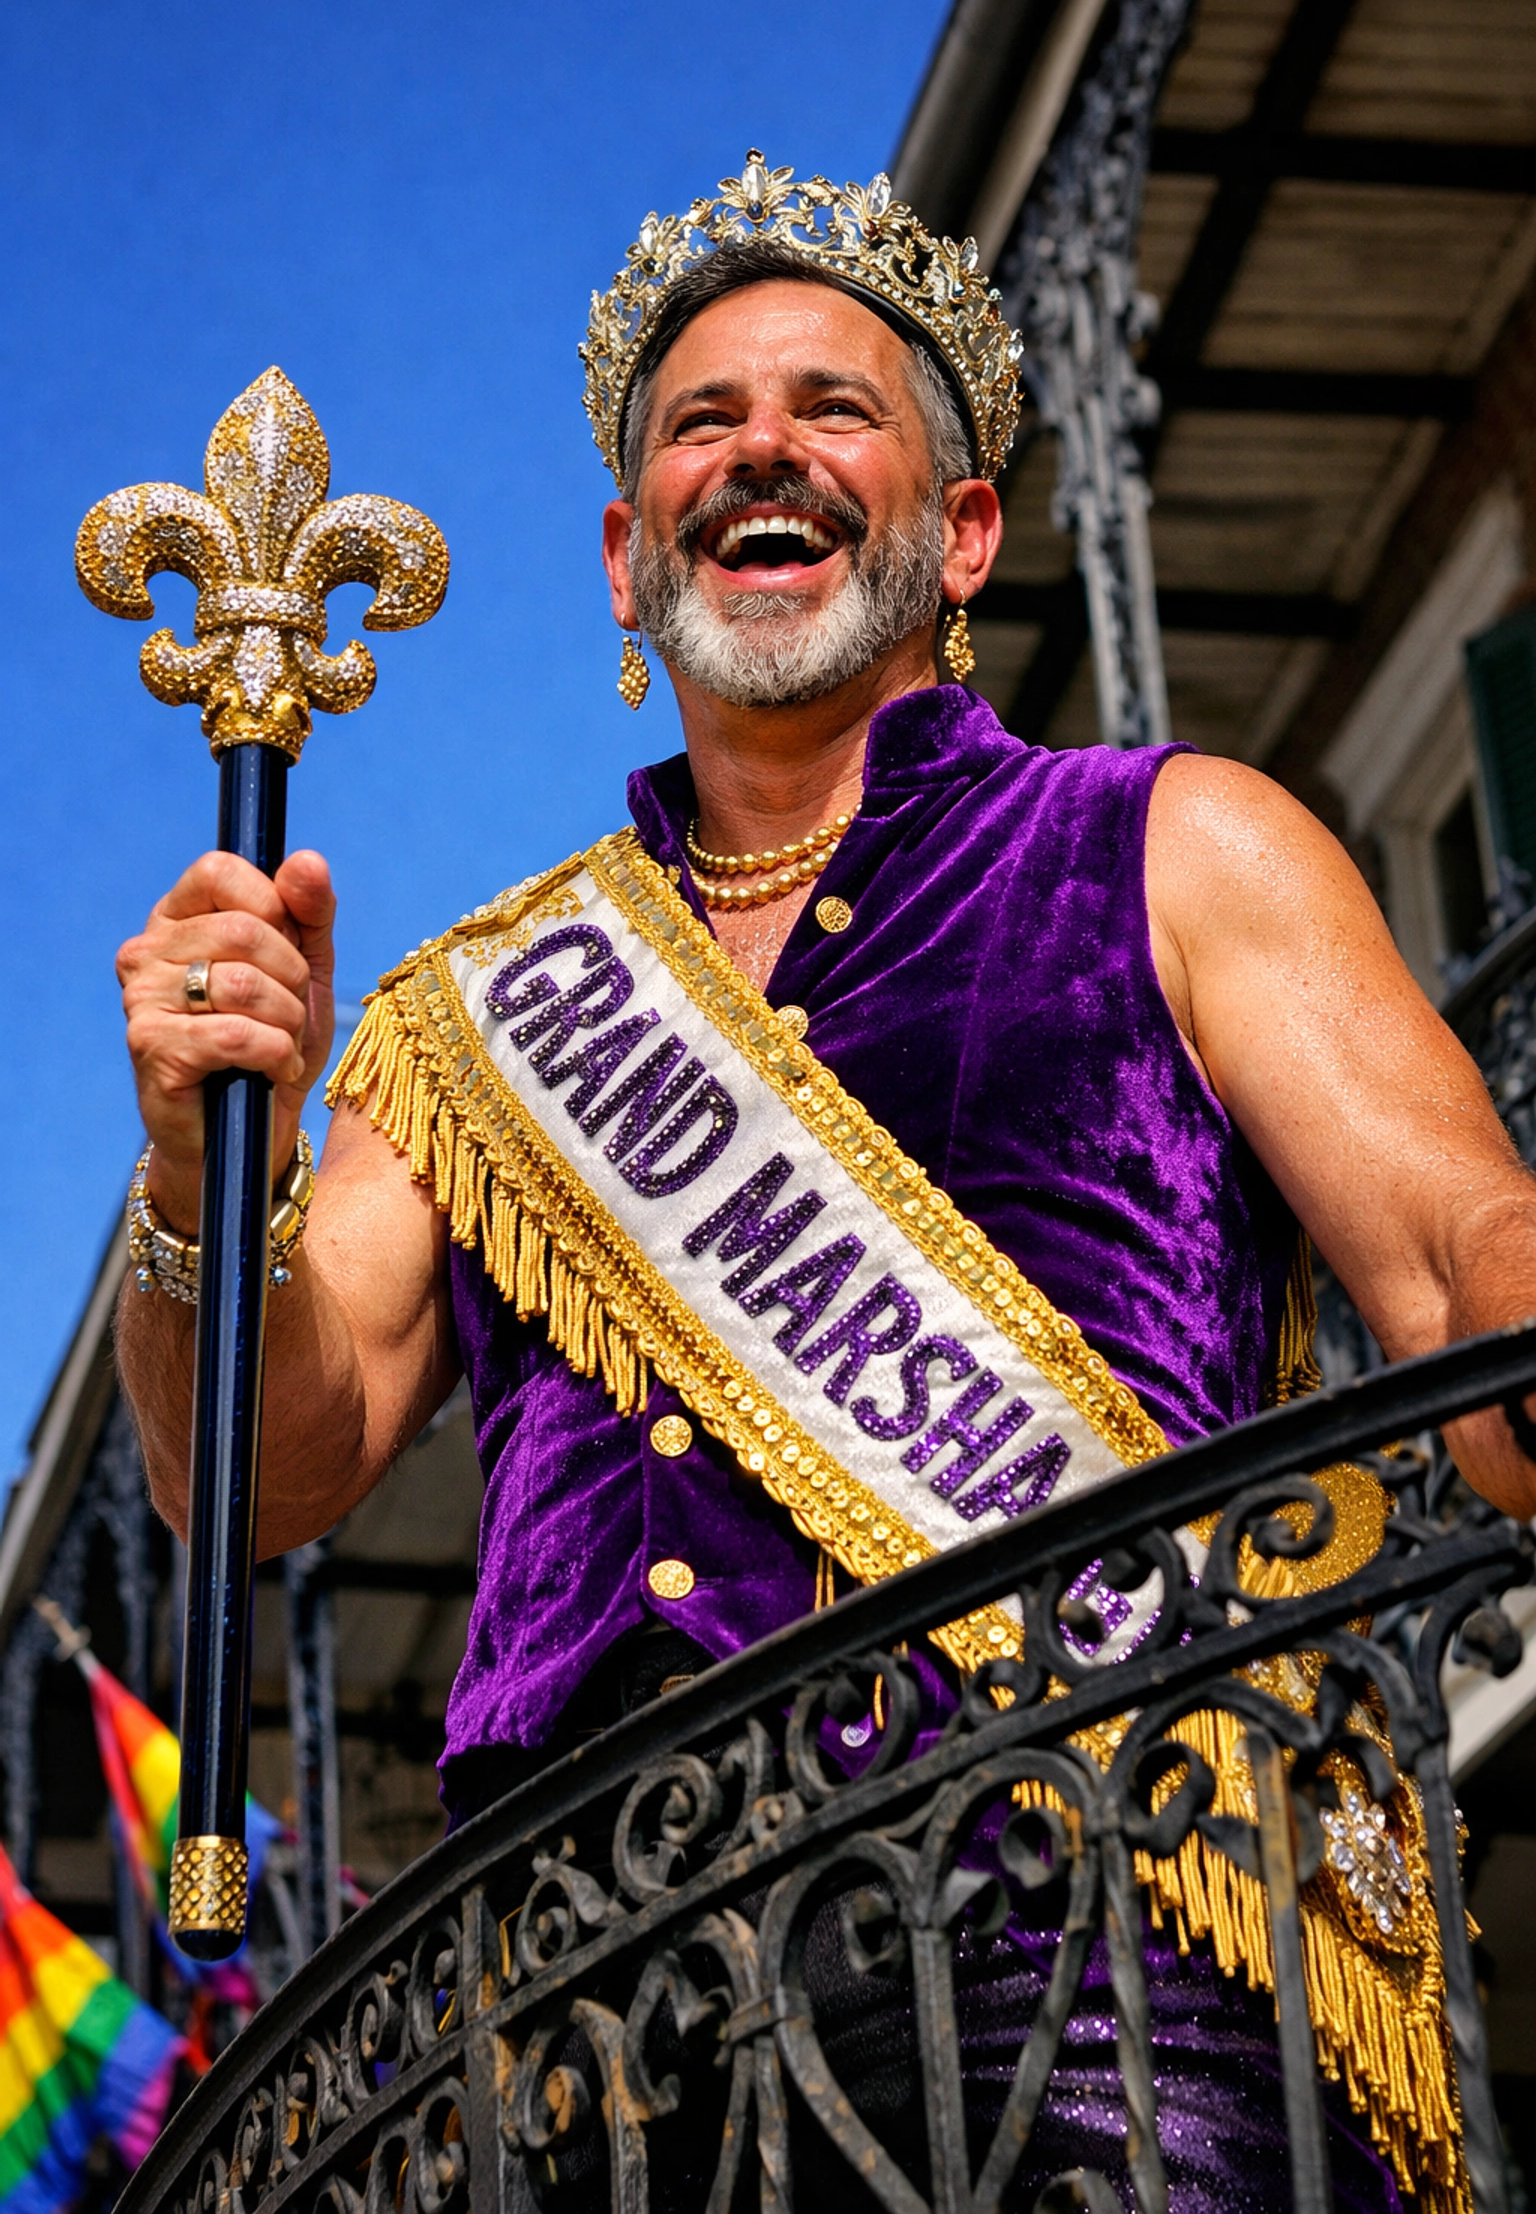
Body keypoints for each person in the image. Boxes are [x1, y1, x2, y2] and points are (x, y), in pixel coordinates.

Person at [115, 154, 1535, 2210]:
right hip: (596, 2050)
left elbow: (1461, 1257)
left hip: (1104, 1978)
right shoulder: (471, 1024)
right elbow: (250, 1466)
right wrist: (189, 1165)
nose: (759, 451)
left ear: (964, 531)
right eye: (702, 422)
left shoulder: (1177, 844)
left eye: (830, 408)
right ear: (625, 554)